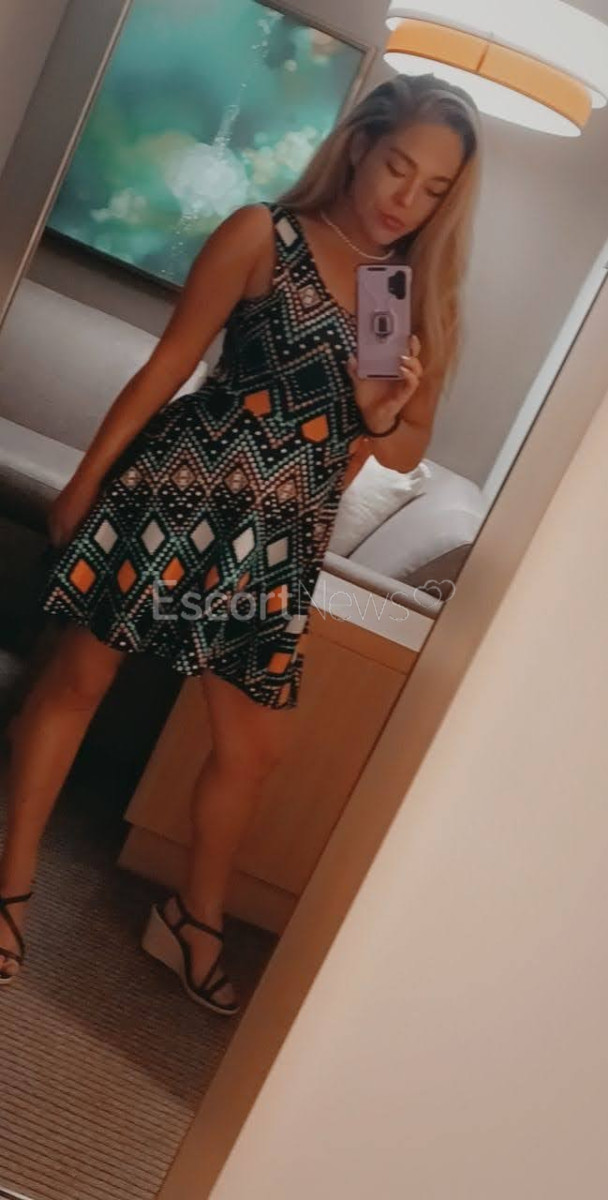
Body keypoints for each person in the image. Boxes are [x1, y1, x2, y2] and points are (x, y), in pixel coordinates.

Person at [0, 73, 482, 1013]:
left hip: (275, 544)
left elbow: (398, 442)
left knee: (253, 749)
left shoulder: (392, 293)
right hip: (176, 495)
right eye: (398, 167)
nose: (406, 199)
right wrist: (88, 479)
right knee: (77, 682)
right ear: (359, 145)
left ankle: (193, 916)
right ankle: (11, 891)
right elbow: (170, 365)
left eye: (433, 189)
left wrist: (383, 409)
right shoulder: (266, 233)